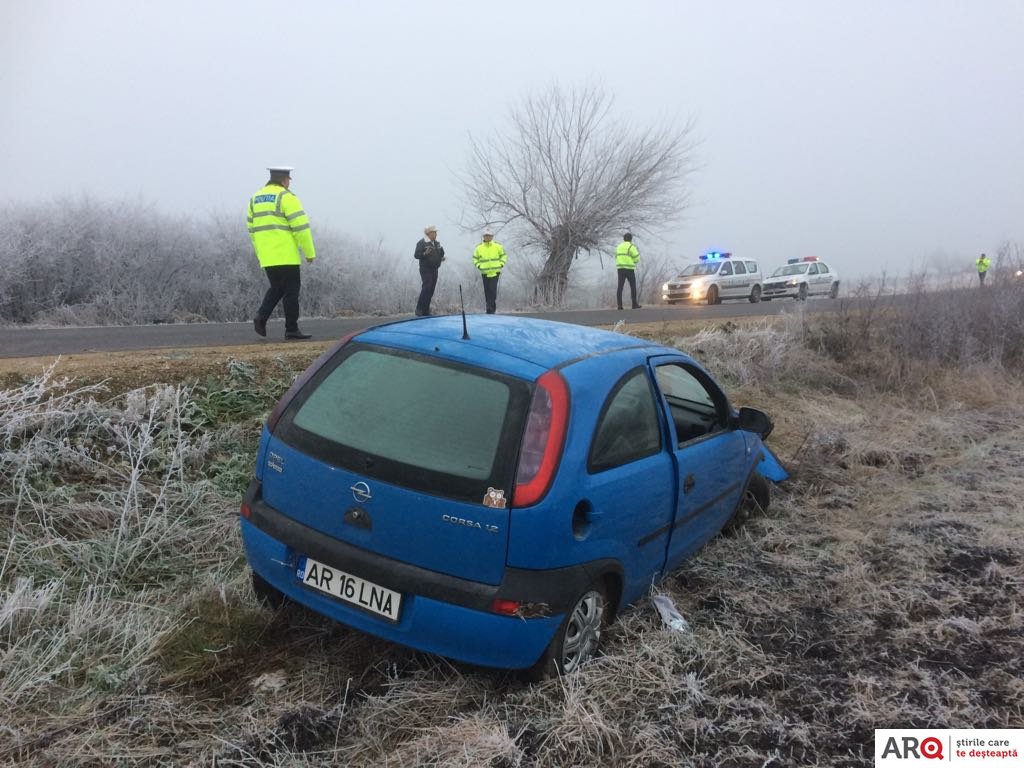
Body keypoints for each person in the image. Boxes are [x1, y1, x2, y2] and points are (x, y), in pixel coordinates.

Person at [247, 165, 316, 339]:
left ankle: (261, 317)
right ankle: (291, 329)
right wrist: (309, 252)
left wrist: (260, 254)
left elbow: (252, 229)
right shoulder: (286, 197)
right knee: (291, 291)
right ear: (284, 180)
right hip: (286, 254)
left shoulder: (255, 198)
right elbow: (301, 227)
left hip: (267, 256)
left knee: (277, 288)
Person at [413, 225, 445, 316]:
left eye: (436, 233)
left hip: (435, 269)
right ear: (428, 233)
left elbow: (440, 254)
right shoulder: (422, 242)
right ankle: (419, 309)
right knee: (426, 287)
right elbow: (416, 255)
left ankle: (425, 310)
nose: (435, 234)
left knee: (431, 290)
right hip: (425, 268)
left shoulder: (437, 243)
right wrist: (424, 253)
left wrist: (441, 257)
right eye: (434, 232)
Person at [473, 229, 506, 314]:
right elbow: (474, 258)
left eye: (489, 235)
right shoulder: (479, 247)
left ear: (492, 236)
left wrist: (501, 264)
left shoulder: (498, 246)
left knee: (492, 289)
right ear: (483, 237)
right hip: (484, 272)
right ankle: (490, 307)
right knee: (487, 290)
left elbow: (504, 255)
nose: (487, 237)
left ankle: (490, 308)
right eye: (486, 235)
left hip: (495, 271)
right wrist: (479, 266)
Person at [615, 232, 641, 309]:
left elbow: (616, 256)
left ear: (623, 239)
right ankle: (634, 304)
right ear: (631, 239)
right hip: (629, 269)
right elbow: (637, 258)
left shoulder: (618, 247)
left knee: (620, 287)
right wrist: (633, 261)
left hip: (620, 269)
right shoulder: (631, 246)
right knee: (633, 286)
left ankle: (619, 305)